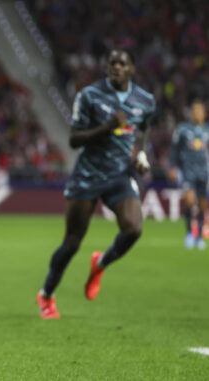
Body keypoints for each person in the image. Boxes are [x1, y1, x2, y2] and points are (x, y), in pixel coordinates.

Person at [35, 48, 156, 319]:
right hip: (87, 176)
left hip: (119, 175)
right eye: (112, 62)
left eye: (122, 63)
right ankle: (46, 295)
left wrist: (143, 153)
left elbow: (145, 126)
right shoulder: (89, 96)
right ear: (106, 68)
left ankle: (100, 263)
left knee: (134, 230)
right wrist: (107, 126)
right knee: (72, 243)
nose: (117, 67)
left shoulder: (144, 100)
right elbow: (74, 139)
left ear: (132, 69)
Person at [169, 99, 209, 249]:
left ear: (204, 114)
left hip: (204, 172)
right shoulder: (182, 129)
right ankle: (189, 234)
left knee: (203, 204)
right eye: (195, 110)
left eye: (200, 111)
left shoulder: (207, 130)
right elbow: (174, 150)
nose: (197, 113)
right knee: (190, 201)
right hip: (188, 170)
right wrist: (173, 167)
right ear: (191, 113)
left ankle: (199, 237)